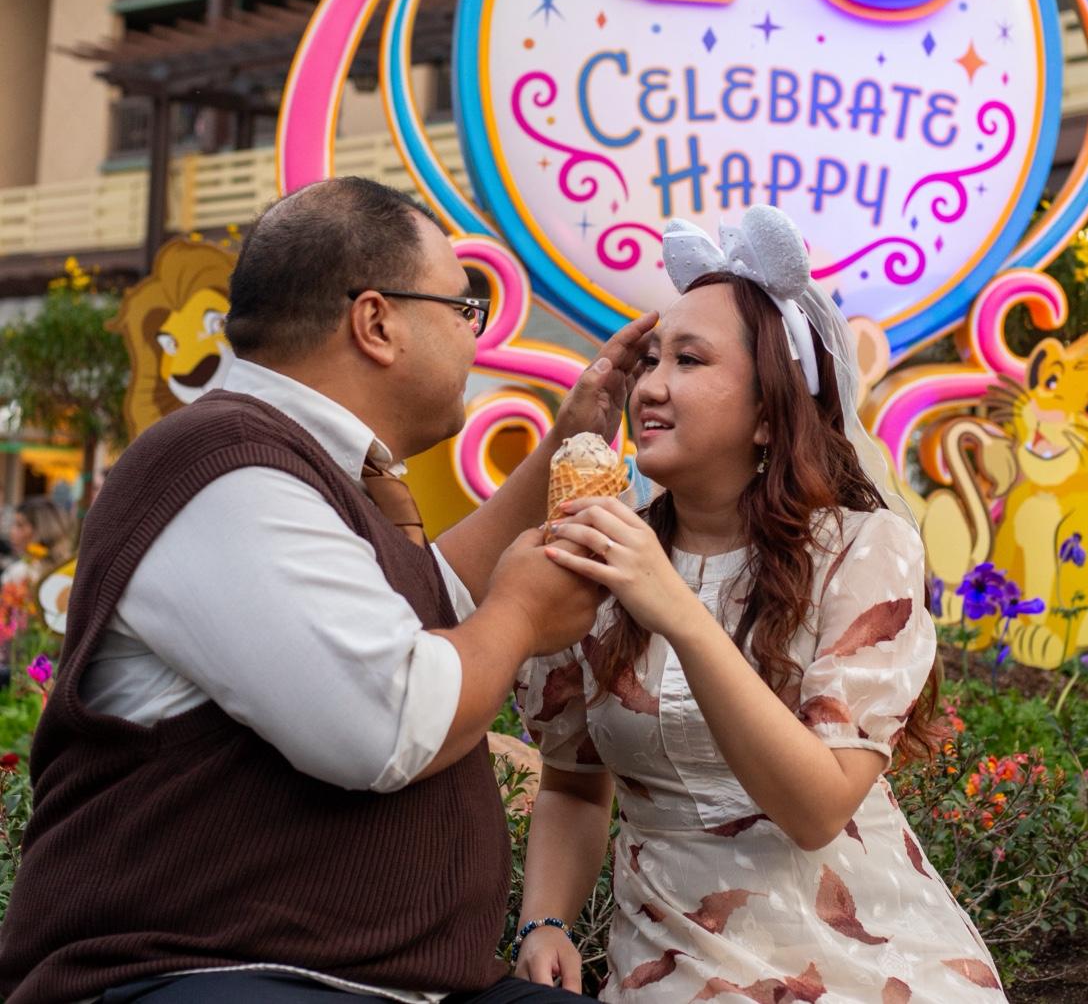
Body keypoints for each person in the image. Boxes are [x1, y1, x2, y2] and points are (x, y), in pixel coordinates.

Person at [0, 176, 656, 1004]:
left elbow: (438, 598)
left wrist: (574, 434)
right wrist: (522, 615)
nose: (477, 335)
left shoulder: (295, 463)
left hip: (368, 980)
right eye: (464, 308)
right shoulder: (222, 469)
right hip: (208, 975)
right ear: (376, 322)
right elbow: (386, 721)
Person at [514, 206, 1006, 1002]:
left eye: (690, 360)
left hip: (867, 960)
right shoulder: (595, 557)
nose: (652, 386)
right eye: (651, 360)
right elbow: (573, 783)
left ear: (770, 414)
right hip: (671, 966)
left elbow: (818, 809)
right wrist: (544, 923)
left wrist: (675, 608)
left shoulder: (862, 550)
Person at [2, 495, 75, 588]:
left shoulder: (21, 573)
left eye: (20, 525)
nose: (12, 532)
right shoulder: (69, 568)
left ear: (41, 530)